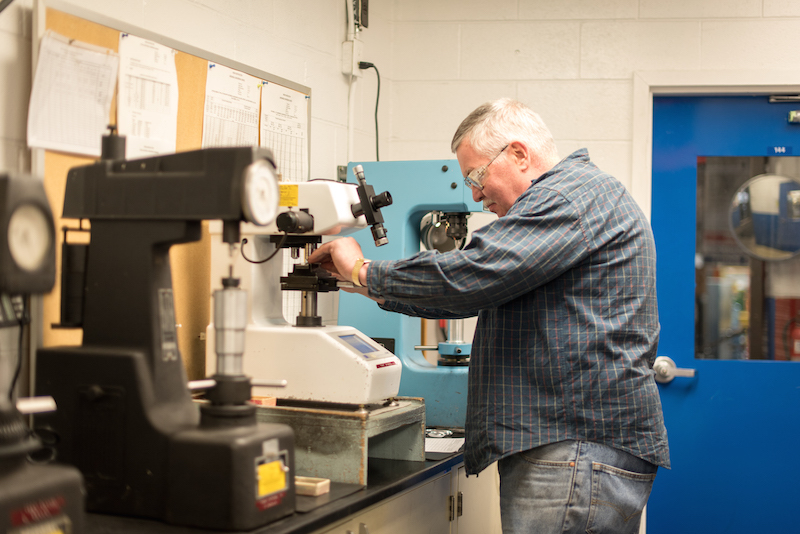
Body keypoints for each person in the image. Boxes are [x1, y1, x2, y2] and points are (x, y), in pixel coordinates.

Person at [307, 98, 670, 534]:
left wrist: (363, 269)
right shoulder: (584, 197)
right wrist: (361, 284)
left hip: (574, 448)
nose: (476, 194)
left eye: (477, 177)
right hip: (578, 448)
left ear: (519, 154)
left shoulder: (568, 197)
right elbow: (472, 293)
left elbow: (473, 274)